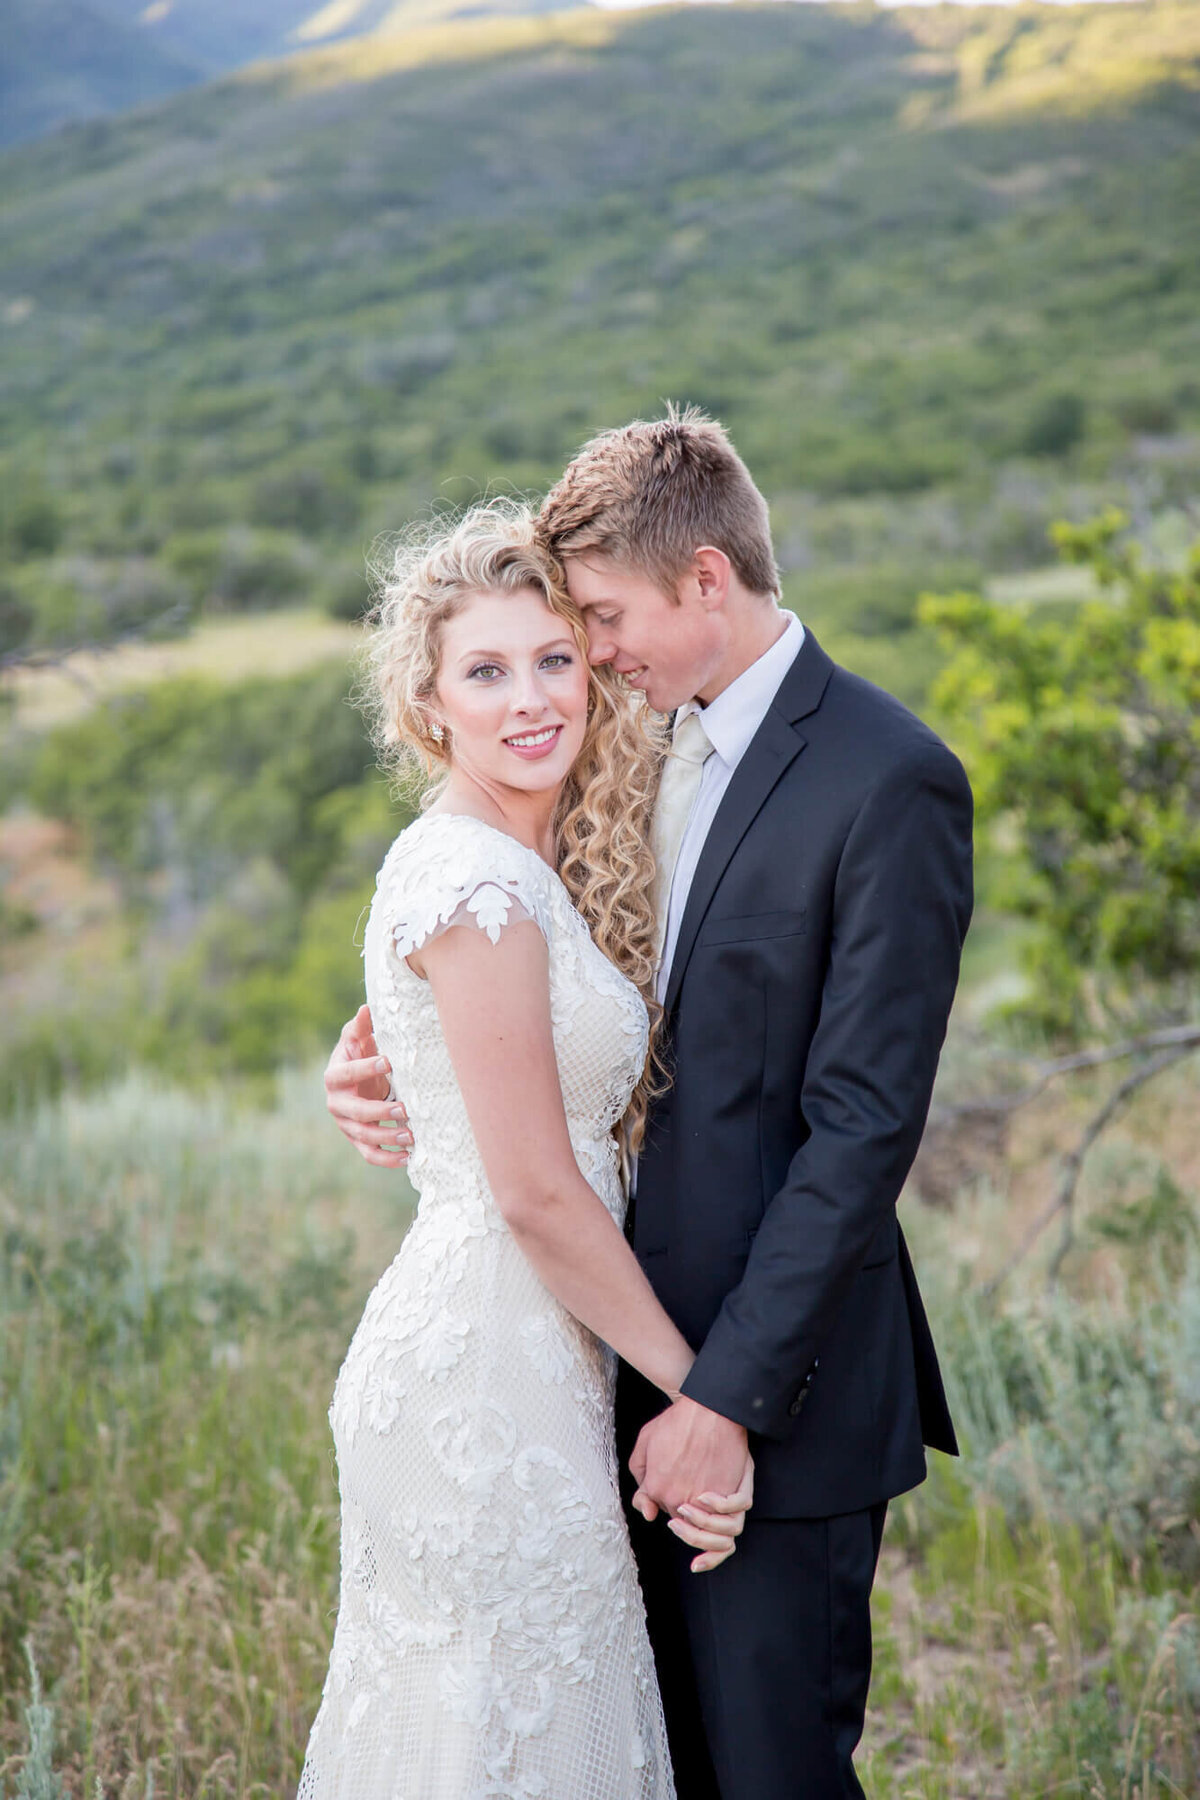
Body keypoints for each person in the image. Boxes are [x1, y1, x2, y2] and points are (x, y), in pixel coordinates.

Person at [326, 409, 974, 1800]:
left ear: (705, 582)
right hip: (583, 1382)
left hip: (761, 1394)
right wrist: (385, 1068)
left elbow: (860, 1129)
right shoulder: (617, 754)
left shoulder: (888, 779)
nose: (584, 662)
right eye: (548, 644)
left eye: (595, 626)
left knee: (767, 1775)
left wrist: (721, 1400)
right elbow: (511, 986)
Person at [298, 501, 751, 1800]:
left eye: (554, 658)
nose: (531, 698)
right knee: (511, 1736)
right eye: (485, 672)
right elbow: (539, 1193)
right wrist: (698, 1392)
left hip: (528, 1361)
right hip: (482, 1381)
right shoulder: (477, 883)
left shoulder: (515, 863)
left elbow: (441, 1058)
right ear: (429, 706)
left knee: (492, 1733)